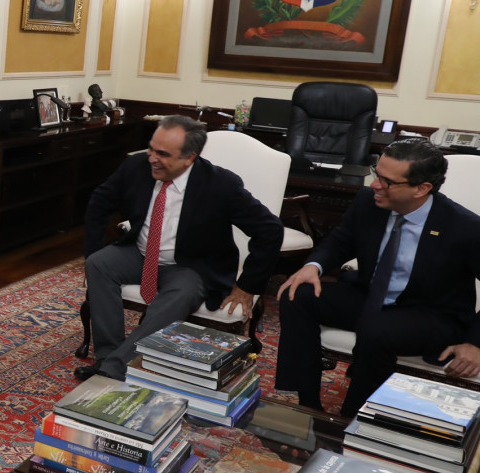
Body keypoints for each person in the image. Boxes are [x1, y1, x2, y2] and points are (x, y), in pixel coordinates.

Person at [275, 138, 480, 417]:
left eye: (387, 181)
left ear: (421, 189)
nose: (374, 185)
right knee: (297, 294)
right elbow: (341, 241)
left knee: (375, 329)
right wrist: (314, 266)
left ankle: (352, 418)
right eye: (376, 173)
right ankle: (307, 405)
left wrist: (474, 343)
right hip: (371, 296)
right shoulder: (368, 201)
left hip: (430, 313)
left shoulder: (464, 227)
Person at [77, 115, 282, 381]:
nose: (152, 158)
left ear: (189, 158)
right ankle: (107, 355)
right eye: (151, 149)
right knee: (98, 264)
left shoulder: (221, 185)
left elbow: (270, 230)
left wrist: (248, 286)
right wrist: (92, 251)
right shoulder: (136, 166)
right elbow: (99, 203)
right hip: (139, 252)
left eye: (163, 154)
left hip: (190, 266)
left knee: (181, 293)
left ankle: (116, 367)